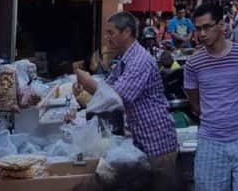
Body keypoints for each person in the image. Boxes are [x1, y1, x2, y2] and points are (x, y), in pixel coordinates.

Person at [75, 12, 179, 191]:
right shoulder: (124, 59)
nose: (107, 38)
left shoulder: (139, 60)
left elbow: (114, 97)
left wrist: (86, 80)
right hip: (138, 141)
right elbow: (106, 88)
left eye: (111, 33)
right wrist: (83, 90)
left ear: (127, 32)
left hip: (156, 142)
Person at [184, 2, 238, 191]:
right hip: (210, 142)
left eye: (207, 27)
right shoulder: (193, 64)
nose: (202, 34)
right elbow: (194, 103)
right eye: (198, 29)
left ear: (221, 25)